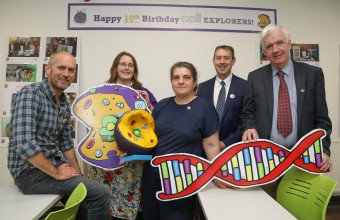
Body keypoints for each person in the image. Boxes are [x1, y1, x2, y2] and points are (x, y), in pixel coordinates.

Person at [7, 51, 111, 220]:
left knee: (85, 195)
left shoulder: (64, 102)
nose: (66, 74)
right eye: (61, 68)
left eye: (71, 70)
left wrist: (77, 173)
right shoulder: (30, 94)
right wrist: (56, 172)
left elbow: (65, 143)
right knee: (101, 194)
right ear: (47, 69)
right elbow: (24, 144)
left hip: (51, 167)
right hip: (28, 173)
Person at [240, 24, 333, 198]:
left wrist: (325, 150)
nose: (275, 49)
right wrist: (248, 127)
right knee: (266, 210)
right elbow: (247, 113)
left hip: (302, 159)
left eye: (280, 43)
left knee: (297, 209)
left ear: (289, 44)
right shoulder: (255, 77)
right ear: (265, 52)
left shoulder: (313, 74)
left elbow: (322, 119)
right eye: (269, 46)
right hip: (267, 161)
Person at [141, 61, 229, 220]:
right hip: (152, 177)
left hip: (182, 179)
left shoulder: (204, 107)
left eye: (186, 77)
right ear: (172, 82)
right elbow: (149, 139)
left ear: (194, 82)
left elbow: (211, 146)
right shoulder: (162, 105)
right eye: (176, 77)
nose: (180, 81)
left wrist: (217, 174)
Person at [88, 51, 157, 220]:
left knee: (126, 208)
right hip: (107, 154)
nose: (127, 68)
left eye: (130, 65)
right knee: (102, 204)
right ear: (115, 67)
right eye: (123, 64)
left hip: (131, 160)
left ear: (135, 69)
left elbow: (154, 123)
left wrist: (148, 104)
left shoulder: (143, 92)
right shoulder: (103, 91)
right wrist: (101, 157)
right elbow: (93, 122)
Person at [197, 45, 246, 150]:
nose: (222, 62)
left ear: (233, 61)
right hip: (206, 149)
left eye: (226, 58)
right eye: (218, 58)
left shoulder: (244, 86)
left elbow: (246, 119)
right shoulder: (203, 87)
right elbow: (199, 118)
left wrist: (226, 143)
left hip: (234, 148)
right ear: (213, 61)